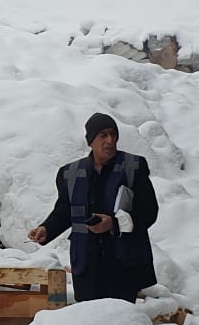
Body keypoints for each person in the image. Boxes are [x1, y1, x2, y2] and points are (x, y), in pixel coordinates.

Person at [29, 112, 159, 303]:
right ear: (90, 141)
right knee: (89, 323)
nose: (110, 140)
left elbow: (149, 212)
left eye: (113, 134)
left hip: (122, 264)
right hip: (86, 265)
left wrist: (113, 223)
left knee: (119, 322)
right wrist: (46, 229)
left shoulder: (134, 167)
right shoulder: (70, 173)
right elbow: (65, 210)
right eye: (103, 135)